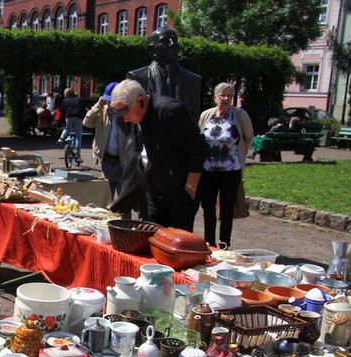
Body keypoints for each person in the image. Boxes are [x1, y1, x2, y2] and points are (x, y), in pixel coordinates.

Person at [108, 79, 208, 231]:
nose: (123, 118)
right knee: (151, 238)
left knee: (175, 242)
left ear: (141, 101)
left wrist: (191, 186)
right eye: (118, 113)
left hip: (179, 192)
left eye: (124, 111)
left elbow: (198, 148)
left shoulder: (170, 110)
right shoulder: (136, 116)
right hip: (154, 192)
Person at [197, 82, 254, 249]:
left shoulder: (240, 115)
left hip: (231, 170)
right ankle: (209, 242)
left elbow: (248, 139)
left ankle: (224, 244)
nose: (226, 98)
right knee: (208, 207)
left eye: (229, 95)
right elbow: (200, 136)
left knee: (227, 208)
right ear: (215, 97)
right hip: (208, 169)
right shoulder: (206, 115)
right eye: (222, 95)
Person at [127, 27, 202, 121]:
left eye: (174, 40)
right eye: (165, 41)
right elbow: (132, 115)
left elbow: (193, 117)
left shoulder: (192, 80)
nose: (172, 44)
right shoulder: (138, 77)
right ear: (152, 50)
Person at [83, 82, 127, 198]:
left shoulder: (127, 112)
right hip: (106, 158)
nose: (109, 103)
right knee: (106, 199)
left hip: (123, 161)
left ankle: (125, 216)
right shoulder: (102, 110)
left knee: (123, 200)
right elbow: (87, 122)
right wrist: (98, 105)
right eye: (107, 99)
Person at [57, 88, 85, 165]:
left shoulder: (65, 101)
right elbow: (84, 110)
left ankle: (61, 137)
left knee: (67, 128)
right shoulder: (79, 100)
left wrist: (59, 124)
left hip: (68, 117)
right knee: (78, 135)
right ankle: (77, 154)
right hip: (78, 118)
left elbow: (62, 112)